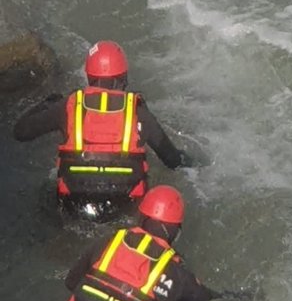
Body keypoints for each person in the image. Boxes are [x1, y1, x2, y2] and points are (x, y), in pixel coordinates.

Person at [13, 40, 189, 220]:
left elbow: (21, 132)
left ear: (89, 76)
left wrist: (47, 103)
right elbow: (171, 159)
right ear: (124, 77)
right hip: (124, 206)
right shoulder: (137, 111)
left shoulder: (69, 105)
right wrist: (191, 161)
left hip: (75, 204)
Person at [60, 184, 219, 301]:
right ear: (176, 232)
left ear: (141, 216)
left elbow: (71, 282)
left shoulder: (110, 240)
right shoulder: (176, 272)